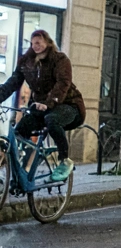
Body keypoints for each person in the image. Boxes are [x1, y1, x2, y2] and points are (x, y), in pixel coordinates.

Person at [0, 30, 85, 181]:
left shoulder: (59, 59)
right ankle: (21, 172)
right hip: (40, 108)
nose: (35, 46)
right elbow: (13, 82)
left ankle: (64, 160)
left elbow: (62, 83)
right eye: (32, 43)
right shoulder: (26, 62)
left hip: (68, 105)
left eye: (38, 42)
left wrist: (49, 103)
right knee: (19, 130)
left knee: (52, 120)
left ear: (48, 42)